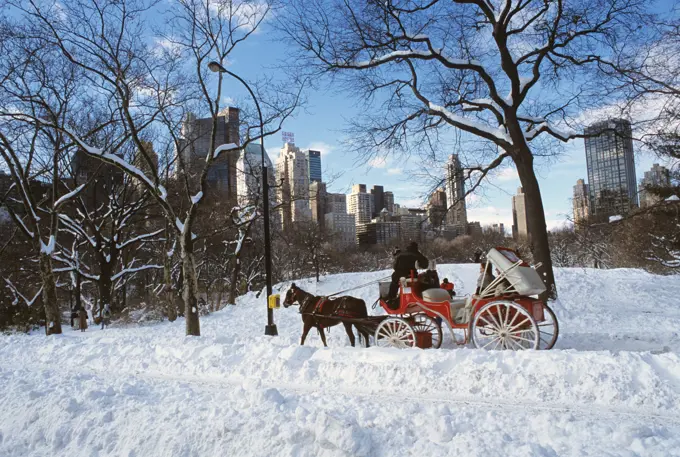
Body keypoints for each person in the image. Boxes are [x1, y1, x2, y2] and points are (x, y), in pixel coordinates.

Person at [387, 241, 429, 309]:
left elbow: (395, 267)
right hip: (412, 275)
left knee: (394, 282)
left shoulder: (401, 254)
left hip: (400, 275)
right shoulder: (418, 254)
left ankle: (391, 298)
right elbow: (425, 265)